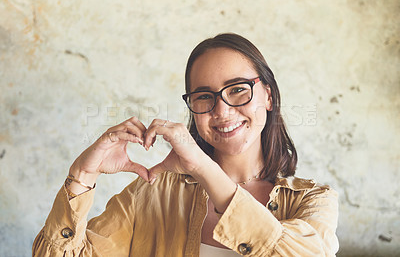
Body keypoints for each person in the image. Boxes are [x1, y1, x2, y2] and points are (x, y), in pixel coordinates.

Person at [32, 33, 339, 256]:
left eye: (237, 89)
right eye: (204, 96)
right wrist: (82, 177)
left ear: (269, 95)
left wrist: (203, 167)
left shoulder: (314, 201)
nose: (222, 111)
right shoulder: (152, 192)